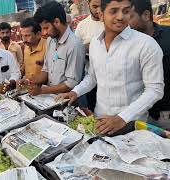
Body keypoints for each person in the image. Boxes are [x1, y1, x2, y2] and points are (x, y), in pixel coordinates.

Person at [56, 0, 164, 135]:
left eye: (126, 11)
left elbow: (155, 90)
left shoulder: (146, 45)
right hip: (100, 121)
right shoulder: (95, 43)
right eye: (114, 11)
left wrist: (122, 118)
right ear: (101, 15)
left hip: (132, 125)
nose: (120, 17)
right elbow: (93, 77)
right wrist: (76, 92)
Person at [20, 1, 85, 96]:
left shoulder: (74, 45)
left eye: (46, 28)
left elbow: (71, 83)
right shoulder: (51, 40)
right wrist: (29, 81)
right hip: (50, 98)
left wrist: (42, 91)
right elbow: (46, 71)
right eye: (42, 29)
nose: (43, 33)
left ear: (57, 22)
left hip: (66, 100)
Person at [129, 0, 170, 130]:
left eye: (129, 16)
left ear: (146, 15)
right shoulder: (128, 43)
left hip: (166, 115)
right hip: (142, 113)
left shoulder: (168, 37)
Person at [75, 0, 105, 111]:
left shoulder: (112, 23)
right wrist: (87, 47)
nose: (98, 10)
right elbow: (77, 52)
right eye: (95, 6)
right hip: (91, 76)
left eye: (101, 6)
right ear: (88, 4)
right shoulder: (82, 26)